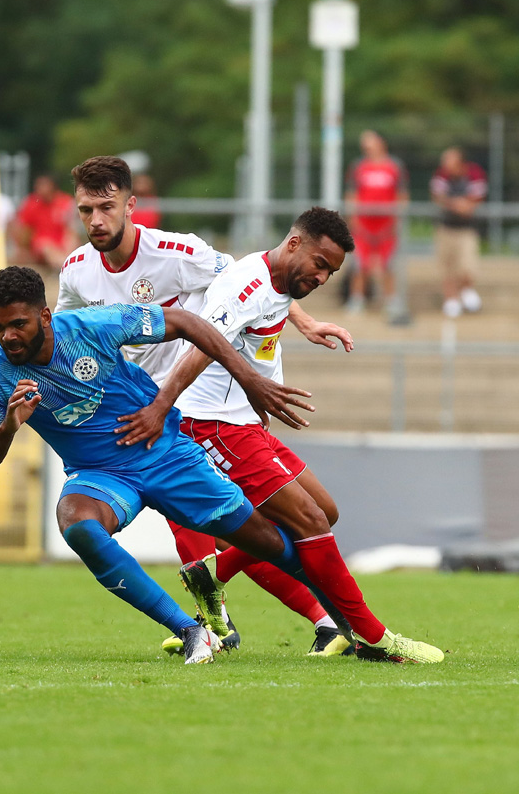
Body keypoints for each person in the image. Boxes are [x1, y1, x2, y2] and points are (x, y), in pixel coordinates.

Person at [0, 266, 442, 665]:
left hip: (167, 455)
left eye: (17, 324)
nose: (8, 337)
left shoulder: (92, 327)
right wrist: (6, 428)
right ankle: (193, 632)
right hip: (101, 477)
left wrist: (248, 379)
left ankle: (368, 634)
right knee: (77, 525)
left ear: (44, 315)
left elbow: (189, 323)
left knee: (272, 544)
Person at [114, 207, 445, 664]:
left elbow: (275, 302)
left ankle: (213, 575)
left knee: (324, 512)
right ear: (294, 245)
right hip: (214, 424)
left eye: (331, 271)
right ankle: (371, 634)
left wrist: (304, 322)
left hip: (245, 423)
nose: (324, 277)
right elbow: (199, 347)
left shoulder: (276, 279)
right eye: (321, 265)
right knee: (306, 520)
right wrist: (160, 408)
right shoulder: (245, 285)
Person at [56, 155, 357, 656]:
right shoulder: (76, 270)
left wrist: (302, 321)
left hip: (184, 407)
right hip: (133, 413)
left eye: (107, 207)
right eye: (86, 210)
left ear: (132, 205)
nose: (96, 221)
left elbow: (257, 278)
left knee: (227, 525)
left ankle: (252, 620)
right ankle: (305, 621)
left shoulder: (177, 253)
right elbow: (63, 340)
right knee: (223, 526)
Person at [345, 130, 407, 315]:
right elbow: (352, 196)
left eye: (370, 143)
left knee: (388, 264)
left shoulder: (394, 167)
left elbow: (402, 196)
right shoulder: (359, 167)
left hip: (386, 226)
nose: (367, 148)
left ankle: (391, 300)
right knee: (359, 265)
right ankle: (357, 299)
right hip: (363, 226)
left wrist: (396, 221)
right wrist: (354, 221)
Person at [430, 147, 488, 318]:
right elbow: (437, 196)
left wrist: (465, 204)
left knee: (467, 266)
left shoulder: (475, 173)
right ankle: (451, 299)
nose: (445, 165)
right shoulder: (441, 174)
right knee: (447, 267)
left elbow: (476, 199)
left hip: (467, 229)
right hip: (446, 227)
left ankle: (466, 290)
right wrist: (456, 204)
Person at [15, 174, 75, 268]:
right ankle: (65, 267)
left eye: (43, 185)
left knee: (71, 241)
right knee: (46, 246)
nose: (40, 189)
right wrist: (23, 249)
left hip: (61, 244)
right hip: (41, 245)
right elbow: (24, 231)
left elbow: (70, 228)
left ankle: (67, 263)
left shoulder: (65, 202)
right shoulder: (32, 203)